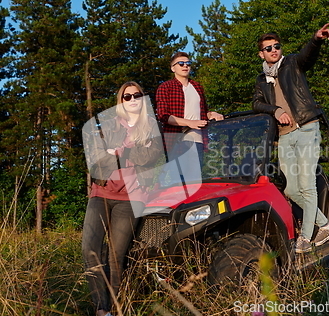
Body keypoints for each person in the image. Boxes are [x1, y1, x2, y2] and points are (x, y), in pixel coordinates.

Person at [252, 23, 329, 253]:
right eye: (268, 48)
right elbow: (256, 103)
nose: (274, 50)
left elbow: (307, 56)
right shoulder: (262, 80)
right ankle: (325, 225)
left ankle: (306, 238)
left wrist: (316, 39)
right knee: (290, 190)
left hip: (307, 128)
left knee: (308, 187)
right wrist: (275, 110)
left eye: (276, 46)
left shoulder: (291, 64)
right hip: (285, 137)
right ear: (262, 53)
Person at [82, 81, 163, 316]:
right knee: (90, 249)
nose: (132, 99)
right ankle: (101, 307)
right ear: (121, 101)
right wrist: (130, 152)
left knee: (117, 256)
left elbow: (150, 156)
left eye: (137, 95)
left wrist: (117, 151)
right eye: (127, 96)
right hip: (102, 193)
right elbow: (96, 161)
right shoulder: (106, 127)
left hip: (131, 198)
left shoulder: (151, 128)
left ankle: (115, 309)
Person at [155, 52, 223, 168]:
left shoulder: (197, 87)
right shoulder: (165, 87)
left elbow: (202, 113)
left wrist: (211, 114)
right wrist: (190, 123)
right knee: (179, 181)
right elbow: (163, 116)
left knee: (196, 181)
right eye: (181, 63)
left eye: (188, 63)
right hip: (177, 141)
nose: (185, 66)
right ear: (173, 68)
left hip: (198, 140)